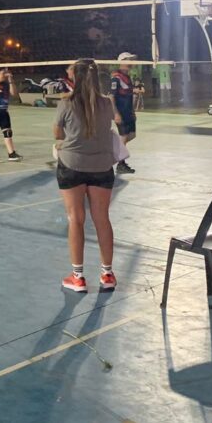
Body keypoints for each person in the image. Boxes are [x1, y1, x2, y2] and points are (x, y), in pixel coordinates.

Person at [54, 59, 117, 293]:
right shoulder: (106, 103)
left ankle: (78, 277)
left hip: (72, 165)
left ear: (75, 78)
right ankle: (107, 274)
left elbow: (58, 132)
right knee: (102, 218)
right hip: (101, 166)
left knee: (75, 219)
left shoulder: (66, 103)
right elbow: (110, 125)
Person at [109, 53, 136, 174]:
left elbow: (129, 96)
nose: (131, 63)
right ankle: (121, 164)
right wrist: (115, 113)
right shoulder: (116, 78)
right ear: (122, 62)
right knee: (124, 137)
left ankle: (115, 148)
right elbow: (111, 97)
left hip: (128, 112)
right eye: (129, 60)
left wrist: (133, 111)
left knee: (132, 135)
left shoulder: (128, 78)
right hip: (120, 112)